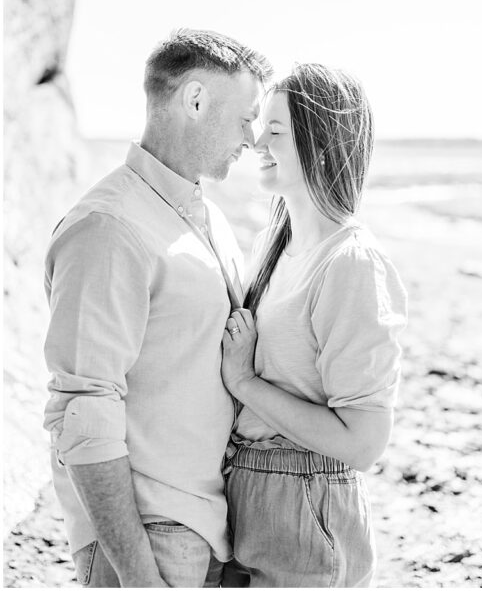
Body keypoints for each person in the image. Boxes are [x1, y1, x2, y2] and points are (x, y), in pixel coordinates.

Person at [43, 29, 271, 587]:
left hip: (213, 525)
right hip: (149, 536)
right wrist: (140, 575)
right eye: (245, 117)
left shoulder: (206, 216)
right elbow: (83, 411)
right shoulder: (109, 228)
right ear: (194, 100)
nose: (252, 136)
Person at [219, 64, 405, 587]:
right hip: (245, 490)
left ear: (322, 144)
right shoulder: (271, 247)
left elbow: (364, 442)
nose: (257, 140)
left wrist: (244, 384)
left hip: (306, 501)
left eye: (275, 131)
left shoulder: (351, 264)